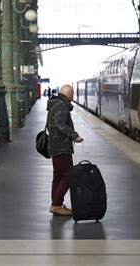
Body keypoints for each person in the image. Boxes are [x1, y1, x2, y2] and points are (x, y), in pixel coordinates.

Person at [46, 84, 83, 216]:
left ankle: (56, 204)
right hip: (61, 146)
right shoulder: (61, 105)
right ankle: (56, 204)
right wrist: (74, 135)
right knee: (68, 175)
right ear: (69, 96)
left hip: (55, 145)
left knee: (58, 176)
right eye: (72, 96)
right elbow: (60, 123)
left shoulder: (55, 104)